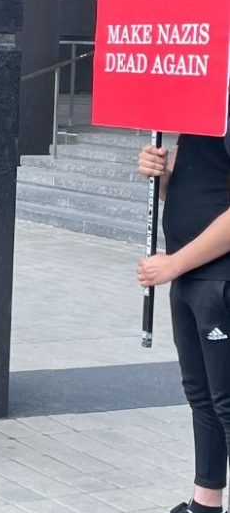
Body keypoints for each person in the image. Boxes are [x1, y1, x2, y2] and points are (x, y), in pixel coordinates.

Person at [136, 125, 230, 513]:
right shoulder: (201, 109)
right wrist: (162, 174)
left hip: (218, 279)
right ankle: (205, 502)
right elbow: (198, 189)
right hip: (190, 278)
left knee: (226, 402)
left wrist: (174, 263)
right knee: (203, 397)